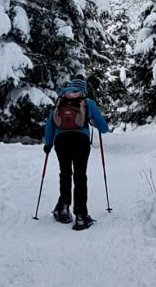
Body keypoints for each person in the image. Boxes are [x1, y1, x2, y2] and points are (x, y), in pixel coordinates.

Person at [43, 77, 110, 230]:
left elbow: (50, 125)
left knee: (65, 173)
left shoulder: (60, 101)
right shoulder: (87, 103)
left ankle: (63, 209)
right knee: (80, 176)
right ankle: (81, 216)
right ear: (83, 90)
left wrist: (48, 144)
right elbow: (103, 128)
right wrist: (94, 122)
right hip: (81, 141)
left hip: (61, 141)